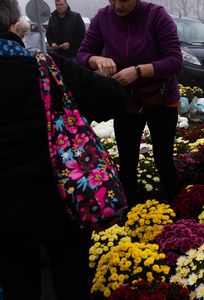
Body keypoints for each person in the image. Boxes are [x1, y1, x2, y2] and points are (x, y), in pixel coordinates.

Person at [0, 0, 126, 299]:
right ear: (13, 22)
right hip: (62, 205)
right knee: (71, 285)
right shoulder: (48, 69)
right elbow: (113, 100)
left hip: (5, 220)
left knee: (19, 287)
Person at [76, 0, 183, 206]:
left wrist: (138, 71)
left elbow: (175, 61)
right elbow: (82, 55)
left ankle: (179, 211)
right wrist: (96, 60)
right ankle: (128, 215)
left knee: (164, 160)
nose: (117, 5)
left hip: (160, 98)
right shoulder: (102, 18)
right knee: (127, 163)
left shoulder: (156, 15)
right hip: (125, 101)